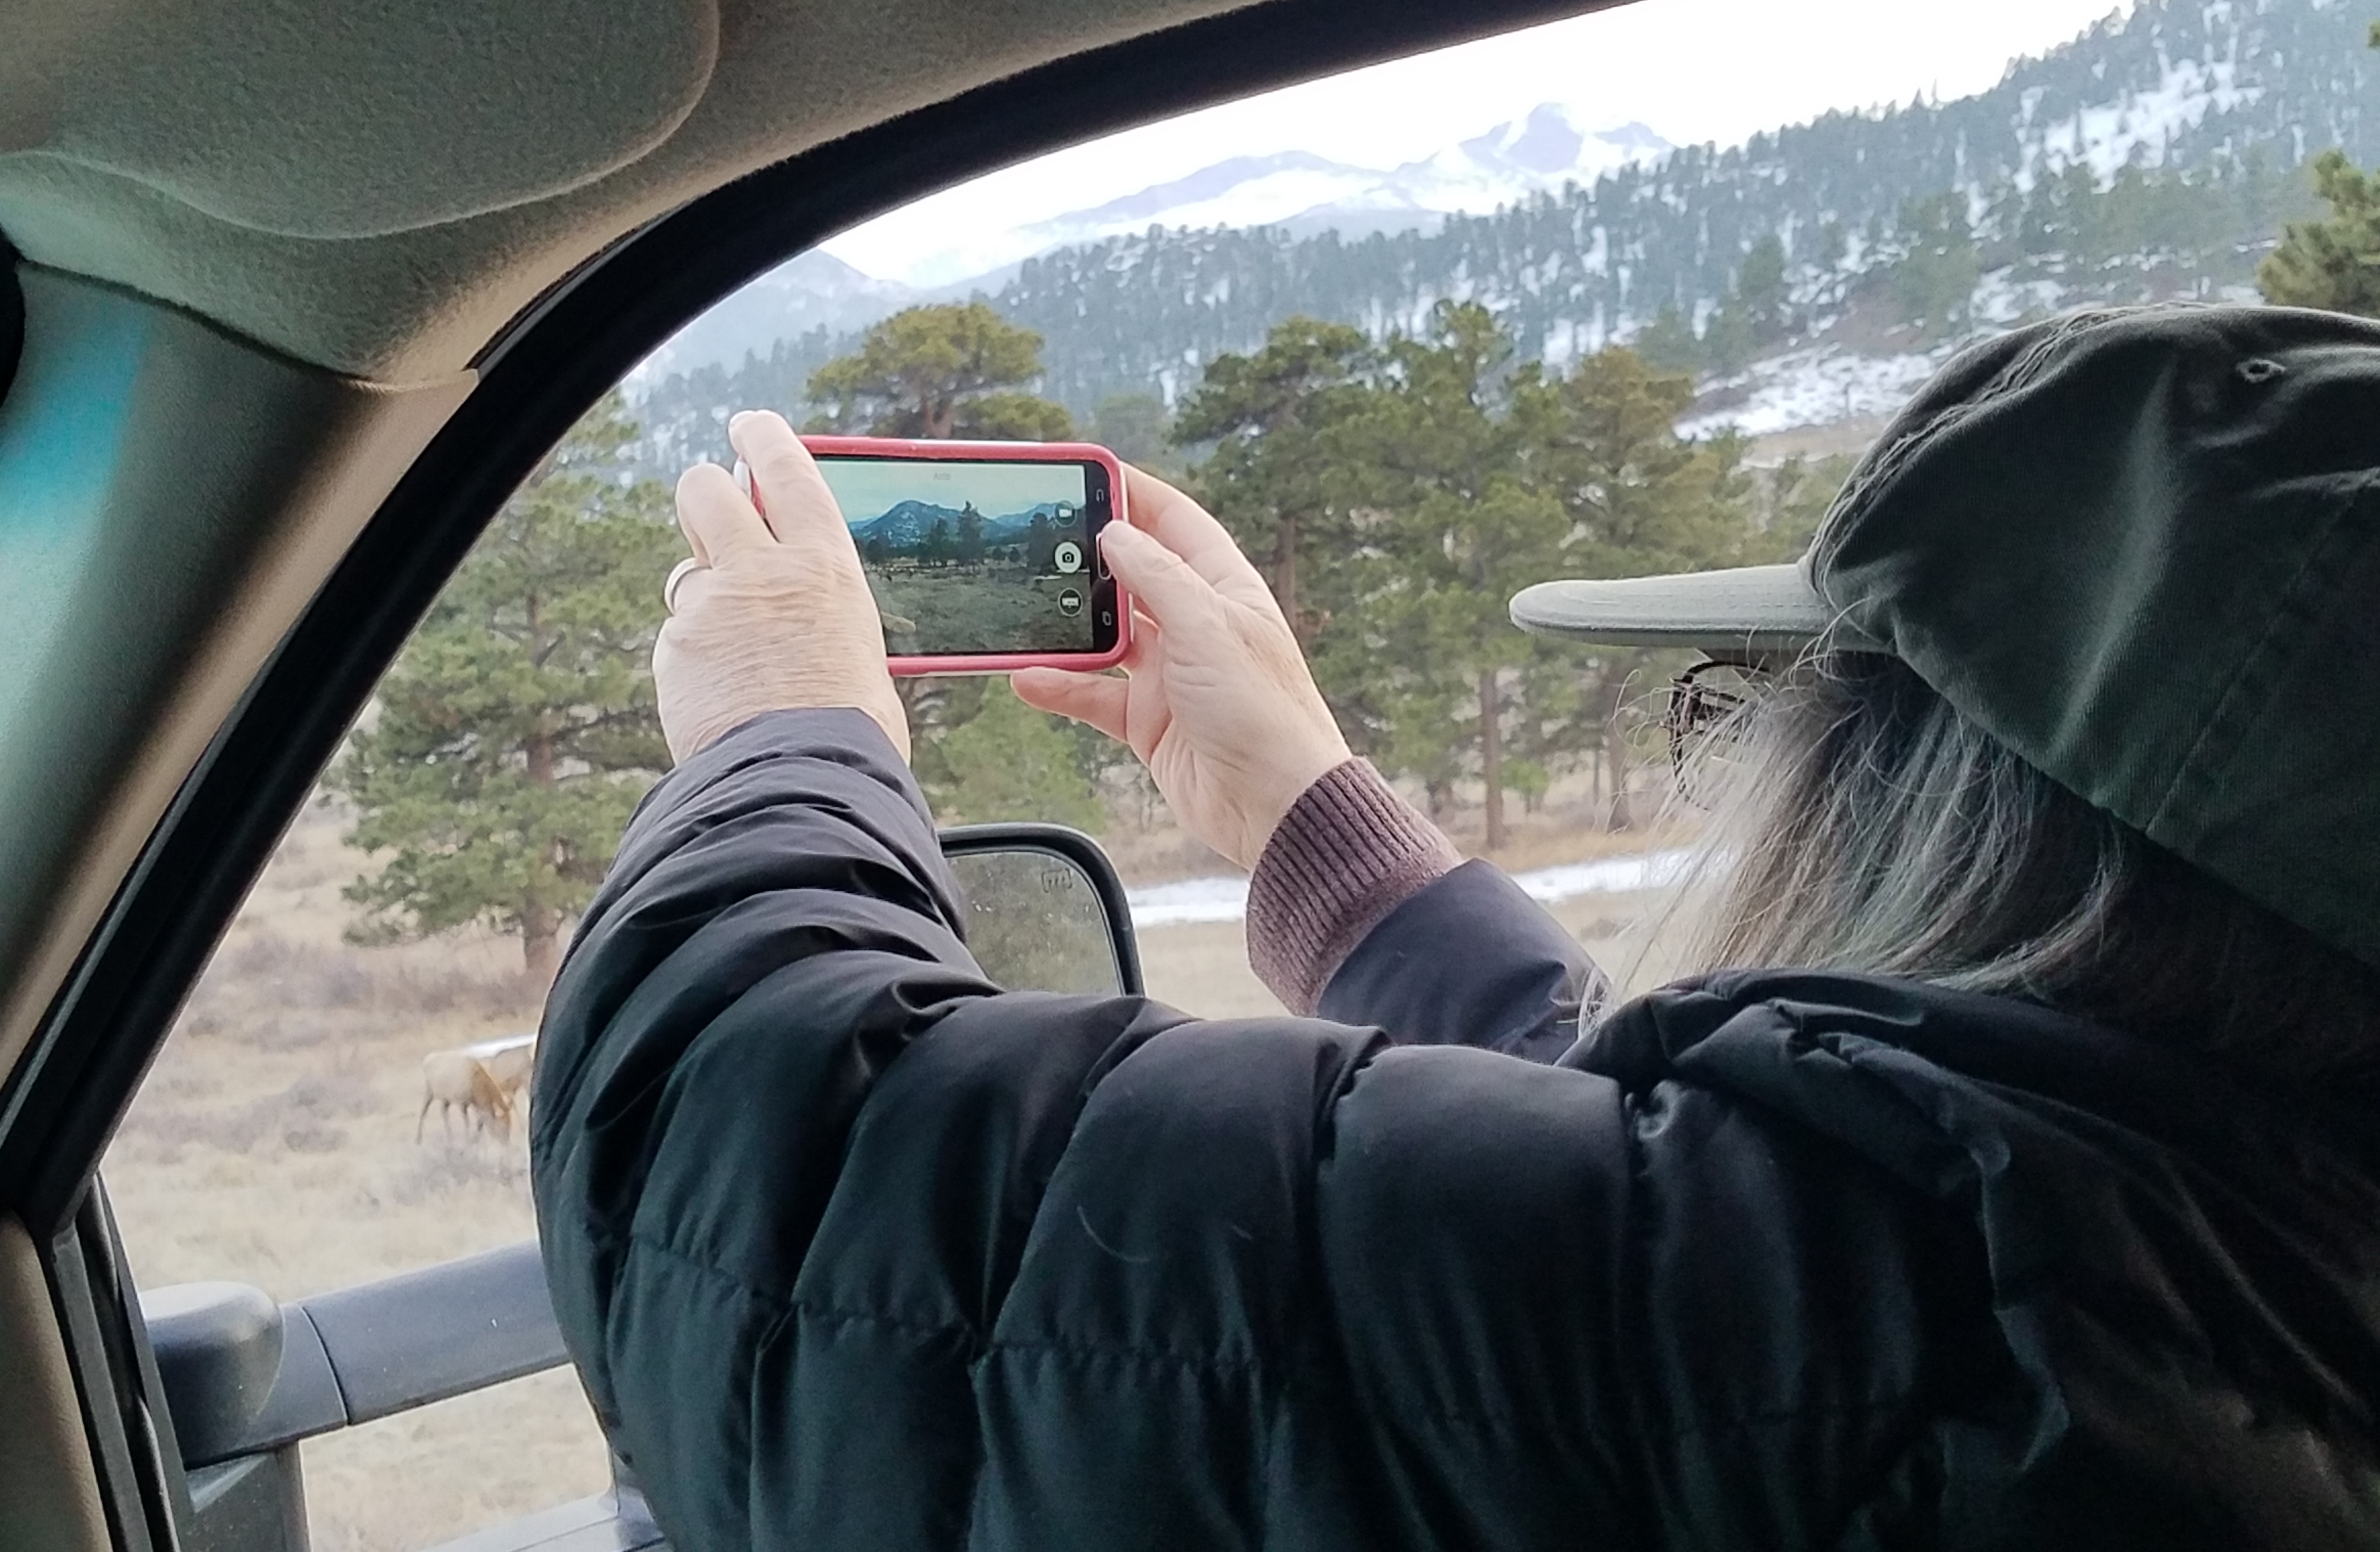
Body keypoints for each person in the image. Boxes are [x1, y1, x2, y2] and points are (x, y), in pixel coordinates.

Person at [531, 303, 2380, 1551]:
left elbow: (754, 1196)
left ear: (1963, 840)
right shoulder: (2211, 1291)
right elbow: (1643, 1256)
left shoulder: (1940, 1322)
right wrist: (1305, 824)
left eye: (1757, 715)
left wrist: (790, 726)